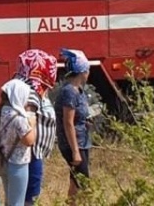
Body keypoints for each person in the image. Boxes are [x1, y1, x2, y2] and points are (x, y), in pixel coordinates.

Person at [13, 49, 58, 206]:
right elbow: (26, 128)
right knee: (27, 200)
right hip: (28, 156)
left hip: (32, 154)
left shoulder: (31, 89)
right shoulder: (31, 92)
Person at [55, 49, 93, 205]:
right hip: (73, 144)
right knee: (84, 182)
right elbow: (67, 122)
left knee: (75, 181)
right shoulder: (69, 92)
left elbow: (78, 116)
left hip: (82, 140)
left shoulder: (79, 90)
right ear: (82, 71)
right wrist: (75, 152)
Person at [0, 79, 37, 206]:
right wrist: (32, 124)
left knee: (9, 199)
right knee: (17, 202)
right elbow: (29, 141)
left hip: (2, 160)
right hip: (18, 164)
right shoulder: (19, 119)